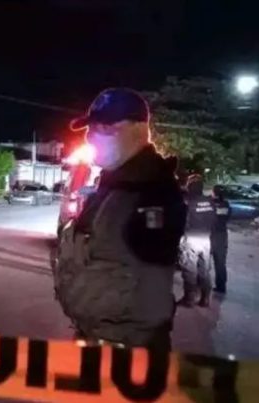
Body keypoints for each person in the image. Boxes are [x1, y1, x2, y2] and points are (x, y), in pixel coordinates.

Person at [53, 88, 187, 350]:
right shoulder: (113, 185)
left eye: (105, 127)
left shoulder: (151, 189)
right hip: (94, 335)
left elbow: (150, 271)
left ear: (139, 130)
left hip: (128, 345)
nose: (92, 136)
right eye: (91, 128)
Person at [177, 174, 216, 308]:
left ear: (190, 187)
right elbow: (214, 221)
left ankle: (189, 299)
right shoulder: (210, 202)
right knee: (204, 270)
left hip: (191, 239)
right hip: (206, 240)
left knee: (189, 270)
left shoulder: (188, 203)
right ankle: (205, 298)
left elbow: (181, 221)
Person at [211, 185, 231, 294]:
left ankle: (201, 285)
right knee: (220, 263)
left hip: (211, 234)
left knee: (203, 261)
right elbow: (227, 218)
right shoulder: (226, 204)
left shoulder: (210, 203)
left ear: (214, 192)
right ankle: (221, 286)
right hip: (222, 236)